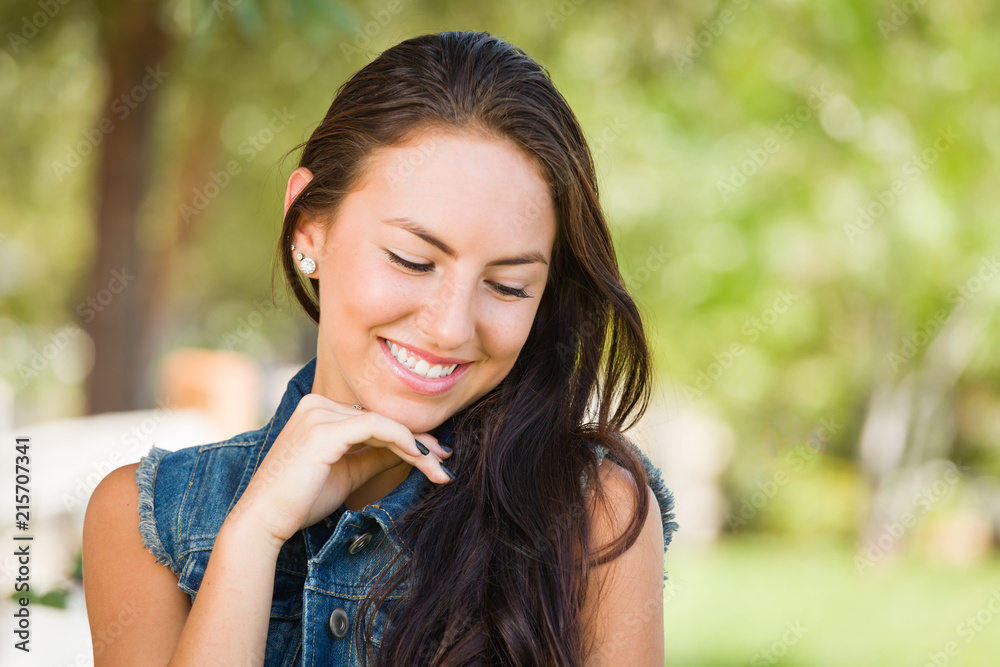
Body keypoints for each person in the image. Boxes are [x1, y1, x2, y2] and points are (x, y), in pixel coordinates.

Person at [82, 30, 677, 666]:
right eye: (413, 260)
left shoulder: (591, 515)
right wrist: (252, 537)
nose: (451, 328)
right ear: (309, 224)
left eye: (507, 285)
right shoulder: (150, 522)